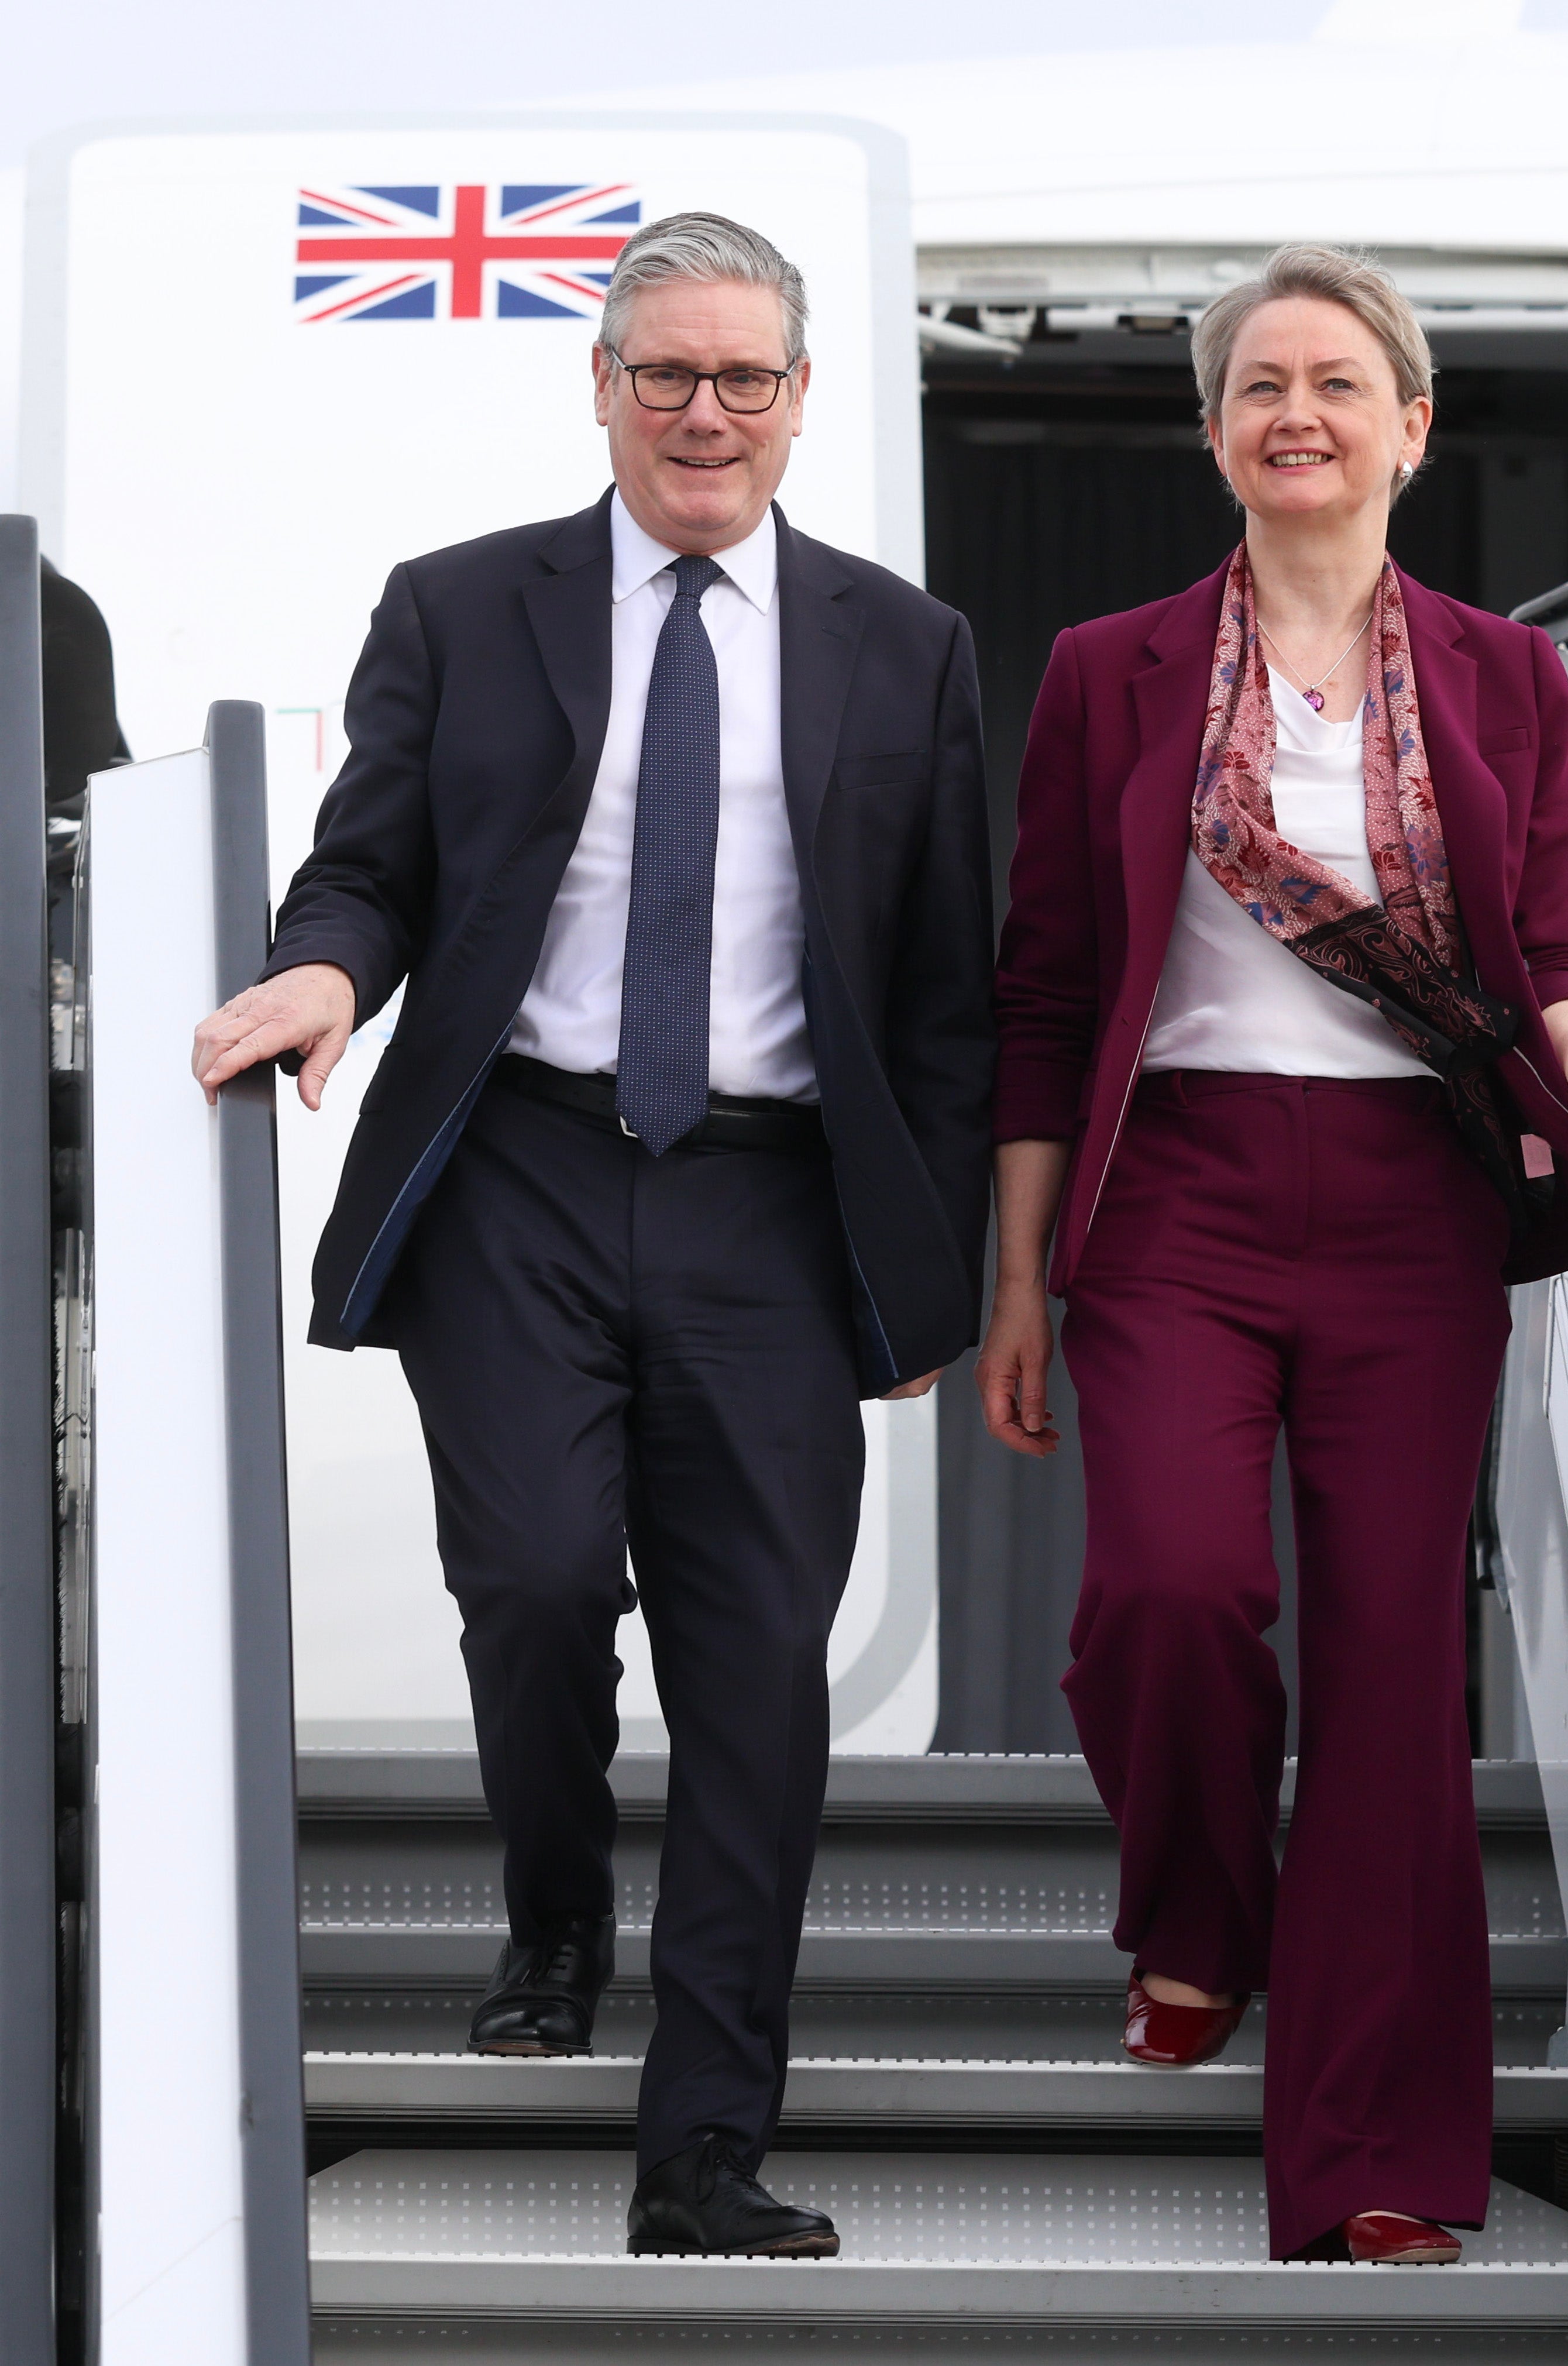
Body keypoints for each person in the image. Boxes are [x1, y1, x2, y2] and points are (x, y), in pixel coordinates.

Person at [191, 212, 993, 2260]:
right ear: (604, 386)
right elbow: (367, 864)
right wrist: (316, 976)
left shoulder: (906, 646)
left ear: (802, 397)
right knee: (539, 1583)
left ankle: (700, 2146)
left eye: (744, 377)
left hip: (772, 1201)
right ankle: (555, 1909)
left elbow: (938, 989)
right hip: (520, 1176)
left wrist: (939, 1266)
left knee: (756, 1677)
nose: (705, 411)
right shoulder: (462, 607)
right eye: (666, 374)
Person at [975, 244, 1568, 2268]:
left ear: (1408, 424)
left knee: (1396, 1670)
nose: (1294, 413)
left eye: (1336, 381)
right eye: (1257, 385)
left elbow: (1549, 956)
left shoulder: (1504, 679)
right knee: (1166, 1589)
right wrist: (1016, 1282)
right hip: (1175, 1196)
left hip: (1412, 1204)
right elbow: (1048, 990)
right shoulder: (1105, 670)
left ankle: (1377, 2155)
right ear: (1213, 431)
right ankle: (1198, 1915)